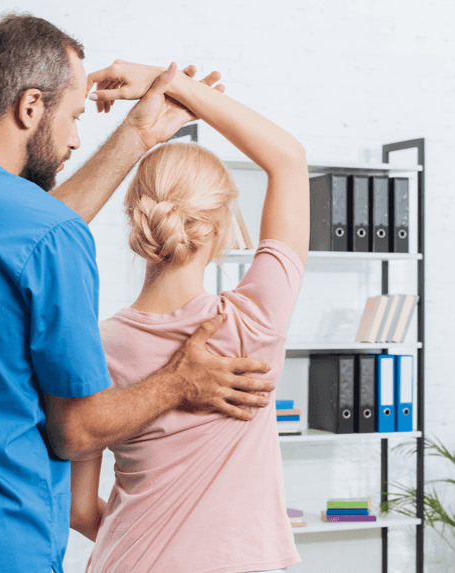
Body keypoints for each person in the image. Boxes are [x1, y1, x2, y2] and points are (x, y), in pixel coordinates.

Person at [0, 14, 274, 573]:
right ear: (29, 107)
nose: (74, 138)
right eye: (71, 117)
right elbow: (76, 431)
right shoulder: (45, 235)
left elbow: (12, 238)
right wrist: (179, 381)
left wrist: (136, 137)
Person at [69, 61, 309, 572]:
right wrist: (171, 81)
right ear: (222, 229)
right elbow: (288, 160)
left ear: (136, 216)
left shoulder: (92, 342)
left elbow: (80, 509)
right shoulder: (254, 324)